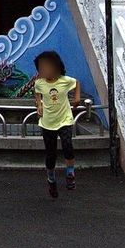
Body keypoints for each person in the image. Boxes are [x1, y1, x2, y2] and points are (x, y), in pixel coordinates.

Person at [33, 50, 81, 198]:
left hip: (64, 119)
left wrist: (77, 99)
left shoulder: (64, 81)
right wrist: (39, 104)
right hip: (47, 122)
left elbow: (76, 83)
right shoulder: (39, 83)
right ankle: (51, 179)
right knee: (50, 153)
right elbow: (37, 93)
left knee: (67, 145)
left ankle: (70, 173)